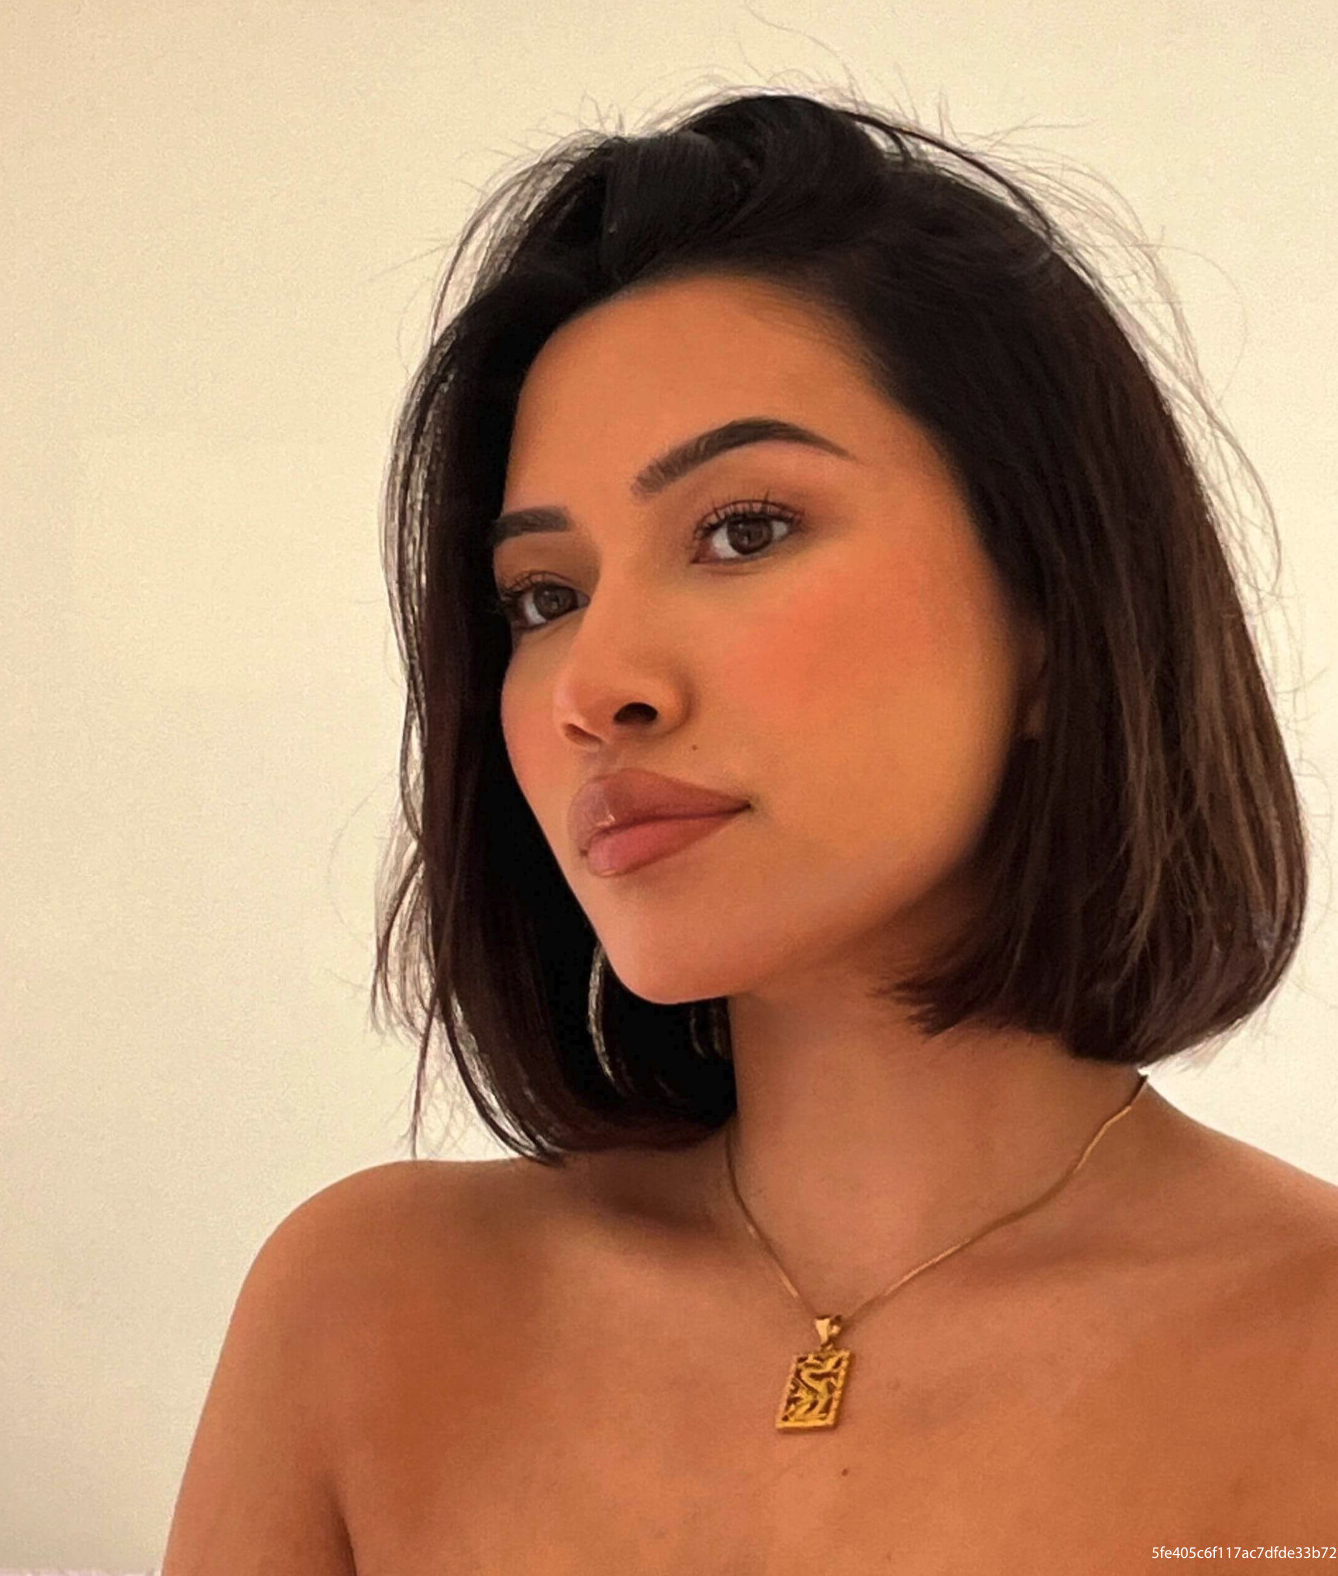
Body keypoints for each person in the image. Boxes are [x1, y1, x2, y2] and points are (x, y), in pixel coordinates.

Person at [162, 88, 1337, 1574]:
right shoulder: (369, 1311)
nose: (593, 685)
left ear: (1054, 607)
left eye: (743, 529)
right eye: (543, 597)